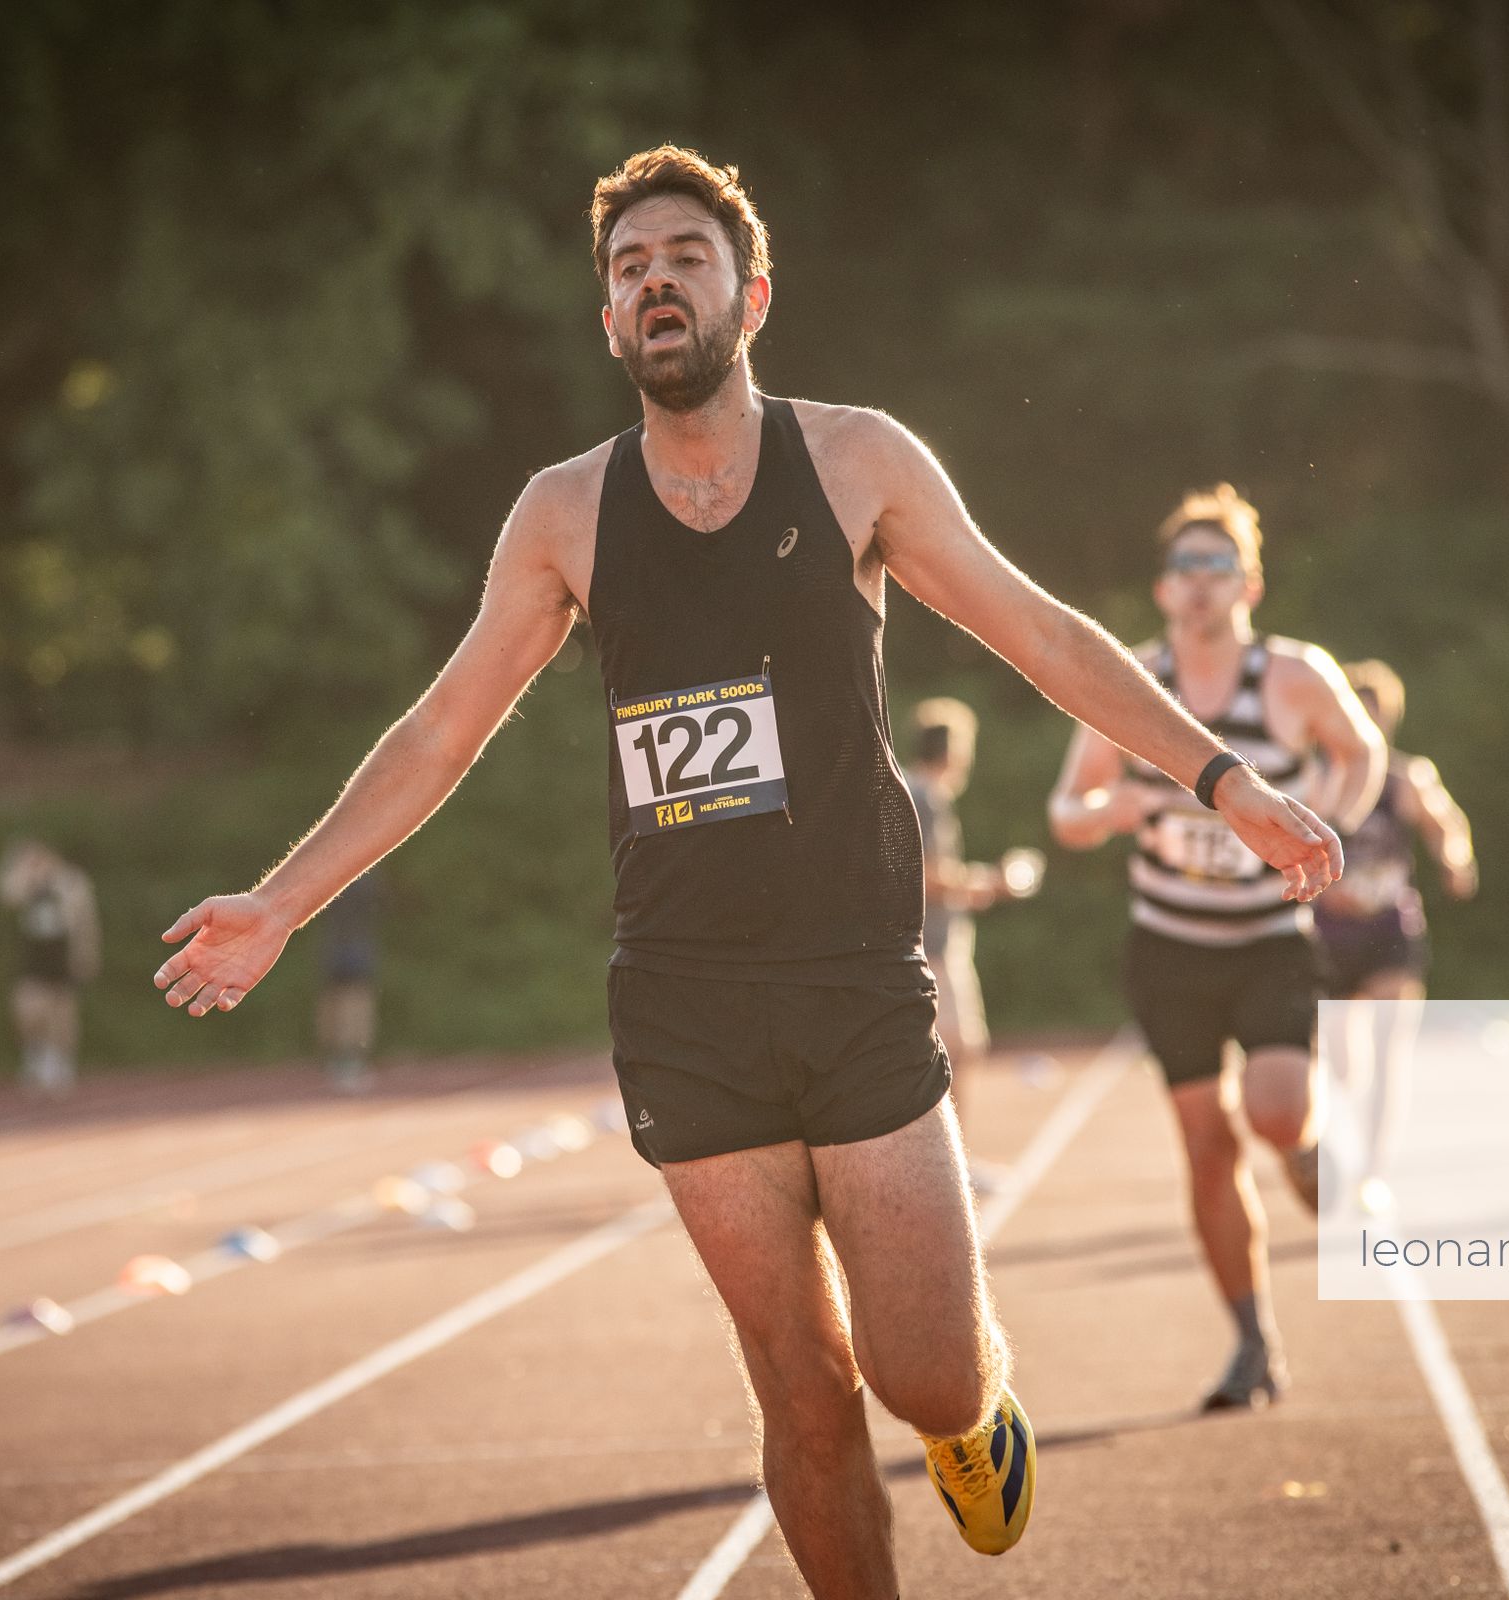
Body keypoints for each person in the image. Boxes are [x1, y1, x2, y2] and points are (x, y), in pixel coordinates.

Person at [150, 148, 1340, 1595]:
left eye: (686, 258)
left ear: (752, 295)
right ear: (608, 320)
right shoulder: (564, 514)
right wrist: (282, 900)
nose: (656, 281)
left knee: (923, 1375)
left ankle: (973, 1414)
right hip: (684, 997)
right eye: (629, 268)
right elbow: (441, 731)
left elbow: (1044, 635)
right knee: (800, 1386)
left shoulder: (855, 462)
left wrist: (1228, 781)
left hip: (853, 975)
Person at [1046, 484, 1382, 1411]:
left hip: (1269, 936)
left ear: (1249, 585)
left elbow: (1361, 753)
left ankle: (1304, 1149)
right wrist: (1108, 809)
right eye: (1184, 567)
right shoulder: (1129, 681)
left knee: (1274, 1111)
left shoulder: (1292, 676)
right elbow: (1066, 809)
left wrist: (1326, 822)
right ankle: (1251, 1340)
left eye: (1217, 566)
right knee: (1205, 1146)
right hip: (1169, 948)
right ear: (1163, 588)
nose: (1200, 583)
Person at [1312, 660, 1478, 1217]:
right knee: (1342, 1062)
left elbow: (1446, 825)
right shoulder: (1318, 778)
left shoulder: (1407, 778)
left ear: (1387, 720)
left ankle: (1374, 1174)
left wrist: (1454, 860)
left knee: (1389, 1052)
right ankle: (1337, 1143)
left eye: (1373, 716)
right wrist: (1322, 892)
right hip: (1330, 933)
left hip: (1389, 928)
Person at [906, 697, 1035, 1156]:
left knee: (954, 1050)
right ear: (953, 751)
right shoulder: (926, 796)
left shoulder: (916, 790)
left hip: (935, 943)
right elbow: (926, 875)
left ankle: (950, 1155)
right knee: (956, 1051)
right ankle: (948, 1158)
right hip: (933, 947)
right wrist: (990, 883)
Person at [0, 838, 100, 1098]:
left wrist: (86, 953)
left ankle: (59, 1062)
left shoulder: (70, 882)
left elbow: (84, 920)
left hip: (62, 956)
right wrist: (26, 872)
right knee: (27, 1009)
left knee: (62, 1012)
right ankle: (36, 1053)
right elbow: (7, 895)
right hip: (33, 958)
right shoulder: (26, 882)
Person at [313, 867, 384, 1088]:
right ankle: (348, 1060)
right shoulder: (366, 879)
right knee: (353, 1005)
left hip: (336, 949)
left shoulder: (329, 877)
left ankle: (341, 1059)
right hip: (354, 950)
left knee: (339, 1004)